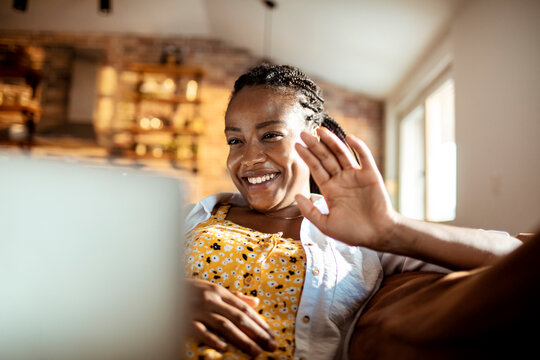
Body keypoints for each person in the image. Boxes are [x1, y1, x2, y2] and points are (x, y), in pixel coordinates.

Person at [183, 64, 522, 360]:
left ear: (314, 139)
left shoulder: (355, 233)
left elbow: (517, 257)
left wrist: (391, 229)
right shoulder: (195, 217)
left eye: (270, 135)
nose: (249, 157)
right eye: (235, 141)